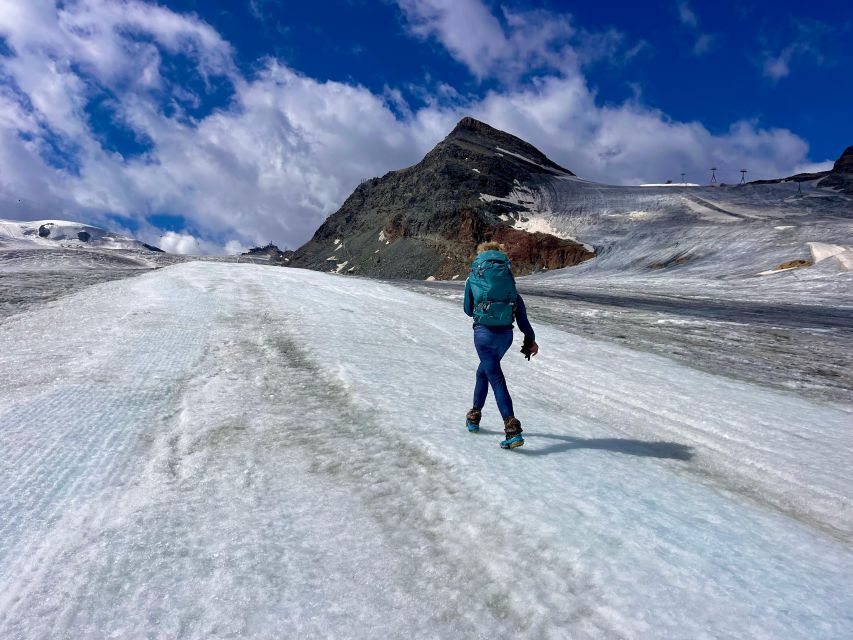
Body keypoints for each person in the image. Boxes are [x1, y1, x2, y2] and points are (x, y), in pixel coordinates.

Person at [463, 242, 538, 449]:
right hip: (505, 335)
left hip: (484, 334)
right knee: (484, 372)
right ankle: (474, 415)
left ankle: (511, 427)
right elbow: (521, 314)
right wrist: (530, 340)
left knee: (495, 376)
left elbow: (468, 310)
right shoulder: (508, 280)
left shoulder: (474, 278)